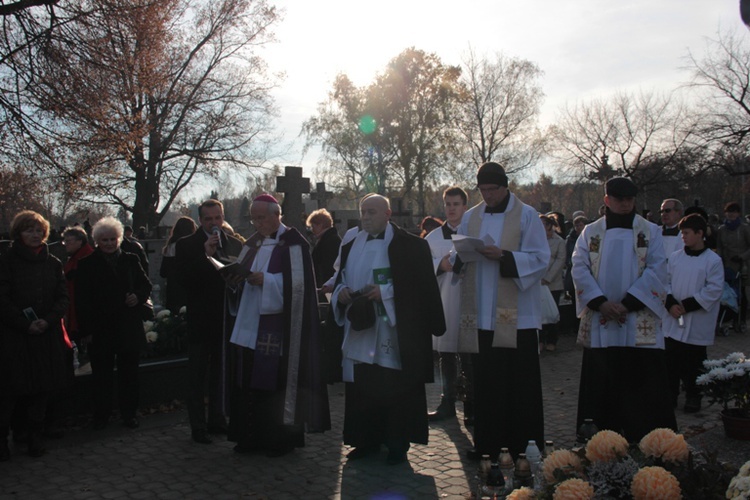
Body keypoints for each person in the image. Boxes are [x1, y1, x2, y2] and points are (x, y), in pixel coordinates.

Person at [331, 194, 445, 465]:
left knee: (394, 387)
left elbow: (422, 289)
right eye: (363, 212)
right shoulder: (350, 245)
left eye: (372, 212)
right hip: (361, 331)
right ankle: (365, 440)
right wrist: (341, 292)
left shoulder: (411, 246)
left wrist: (386, 293)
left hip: (393, 331)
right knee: (363, 388)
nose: (366, 217)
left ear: (388, 213)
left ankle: (397, 442)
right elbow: (339, 278)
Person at [455, 161, 549, 460]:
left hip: (517, 317)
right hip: (483, 315)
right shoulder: (471, 218)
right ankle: (488, 446)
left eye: (492, 190)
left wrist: (504, 256)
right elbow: (457, 251)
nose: (487, 196)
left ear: (505, 186)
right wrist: (460, 255)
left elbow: (540, 258)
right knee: (487, 383)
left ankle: (526, 446)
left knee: (521, 384)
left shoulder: (527, 215)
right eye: (482, 190)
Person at [572, 177, 677, 442]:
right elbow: (579, 268)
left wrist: (629, 303)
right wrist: (600, 303)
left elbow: (658, 270)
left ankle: (651, 447)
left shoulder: (650, 231)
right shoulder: (590, 233)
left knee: (644, 395)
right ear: (607, 200)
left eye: (630, 199)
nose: (625, 203)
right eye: (620, 199)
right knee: (601, 391)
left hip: (638, 323)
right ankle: (601, 447)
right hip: (601, 320)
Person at [227, 194, 330, 457]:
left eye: (261, 217)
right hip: (249, 325)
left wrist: (269, 281)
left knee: (274, 386)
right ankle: (249, 437)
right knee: (248, 384)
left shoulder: (294, 244)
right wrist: (235, 279)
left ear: (277, 214)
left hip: (278, 331)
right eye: (254, 218)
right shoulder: (252, 243)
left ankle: (278, 441)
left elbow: (301, 288)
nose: (256, 223)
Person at [0, 211, 70, 460]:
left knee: (41, 392)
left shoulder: (53, 263)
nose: (34, 234)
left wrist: (47, 320)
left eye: (39, 230)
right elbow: (2, 299)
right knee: (10, 392)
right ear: (19, 233)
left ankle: (34, 439)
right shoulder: (6, 261)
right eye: (29, 230)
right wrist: (23, 324)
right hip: (16, 337)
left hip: (45, 335)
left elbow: (63, 298)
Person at [175, 200, 243, 444]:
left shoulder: (235, 242)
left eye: (217, 218)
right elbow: (183, 280)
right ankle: (198, 426)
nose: (214, 223)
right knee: (197, 375)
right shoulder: (186, 244)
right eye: (208, 219)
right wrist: (205, 255)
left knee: (220, 373)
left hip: (227, 317)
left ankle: (217, 419)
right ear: (200, 220)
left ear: (222, 217)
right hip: (201, 319)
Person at [76, 217, 152, 431]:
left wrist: (137, 296)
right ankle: (102, 414)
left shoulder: (130, 259)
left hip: (127, 325)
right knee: (101, 375)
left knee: (129, 374)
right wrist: (86, 330)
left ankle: (129, 414)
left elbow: (145, 284)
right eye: (104, 240)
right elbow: (82, 300)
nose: (109, 243)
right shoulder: (87, 264)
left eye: (113, 239)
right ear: (97, 241)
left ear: (119, 239)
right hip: (101, 328)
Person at [663, 214, 723, 413]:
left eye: (687, 233)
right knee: (671, 361)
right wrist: (670, 302)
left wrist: (687, 305)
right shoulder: (675, 257)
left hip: (696, 318)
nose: (683, 237)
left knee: (694, 362)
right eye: (682, 233)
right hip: (673, 317)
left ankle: (693, 395)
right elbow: (665, 282)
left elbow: (714, 289)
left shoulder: (713, 260)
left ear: (700, 233)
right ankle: (669, 396)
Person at [425, 187, 473, 424]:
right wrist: (438, 265)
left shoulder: (473, 233)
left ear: (465, 206)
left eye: (456, 204)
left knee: (470, 354)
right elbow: (421, 269)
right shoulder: (433, 238)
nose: (452, 209)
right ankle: (447, 403)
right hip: (445, 300)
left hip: (470, 303)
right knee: (447, 354)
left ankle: (472, 404)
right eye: (448, 204)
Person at [716, 201, 750, 331]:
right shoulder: (722, 229)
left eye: (734, 212)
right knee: (729, 293)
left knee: (741, 293)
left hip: (742, 265)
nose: (731, 214)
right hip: (726, 265)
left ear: (738, 213)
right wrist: (718, 259)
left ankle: (741, 320)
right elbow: (719, 246)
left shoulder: (744, 228)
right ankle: (730, 318)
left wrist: (742, 256)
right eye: (729, 212)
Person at [62, 226, 94, 353]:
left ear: (80, 241)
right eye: (65, 241)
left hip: (84, 313)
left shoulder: (87, 259)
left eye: (69, 241)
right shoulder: (74, 259)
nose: (66, 245)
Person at [159, 216, 196, 314]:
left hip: (172, 291)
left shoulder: (169, 248)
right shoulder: (192, 247)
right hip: (188, 290)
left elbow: (163, 273)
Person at [540, 214, 565, 352]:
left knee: (552, 311)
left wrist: (548, 277)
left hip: (553, 283)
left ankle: (552, 340)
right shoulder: (537, 240)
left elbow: (560, 261)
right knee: (540, 312)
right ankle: (541, 339)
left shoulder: (559, 241)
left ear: (549, 226)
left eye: (542, 224)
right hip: (538, 282)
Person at [306, 208, 341, 292]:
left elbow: (327, 267)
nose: (312, 230)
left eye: (313, 226)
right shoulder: (327, 239)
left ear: (320, 225)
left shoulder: (330, 241)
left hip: (326, 288)